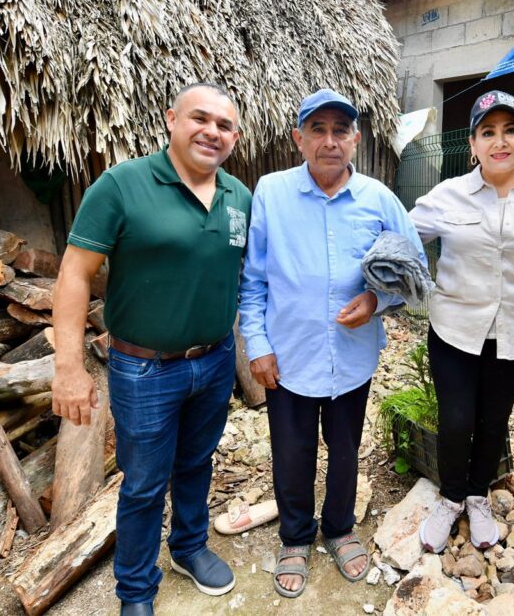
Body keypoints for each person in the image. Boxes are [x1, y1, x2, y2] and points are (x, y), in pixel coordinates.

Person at [52, 83, 250, 616]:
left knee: (197, 462)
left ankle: (188, 547)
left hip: (213, 361)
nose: (212, 132)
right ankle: (136, 591)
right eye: (200, 119)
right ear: (171, 120)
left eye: (225, 125)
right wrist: (68, 367)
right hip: (144, 369)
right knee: (142, 484)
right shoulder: (122, 185)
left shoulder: (239, 196)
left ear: (234, 136)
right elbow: (74, 273)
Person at [238, 88, 425, 598]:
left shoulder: (380, 199)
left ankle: (339, 528)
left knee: (344, 450)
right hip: (289, 357)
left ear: (356, 139)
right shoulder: (271, 193)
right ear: (298, 138)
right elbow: (253, 280)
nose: (329, 141)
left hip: (352, 359)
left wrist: (376, 302)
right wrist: (257, 344)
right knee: (291, 453)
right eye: (317, 130)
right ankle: (296, 537)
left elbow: (415, 271)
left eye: (340, 130)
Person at [408, 90, 514, 552]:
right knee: (457, 420)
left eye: (510, 130)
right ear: (473, 144)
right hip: (455, 330)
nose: (500, 141)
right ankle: (450, 496)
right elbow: (399, 236)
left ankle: (477, 496)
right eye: (488, 132)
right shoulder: (447, 195)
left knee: (494, 420)